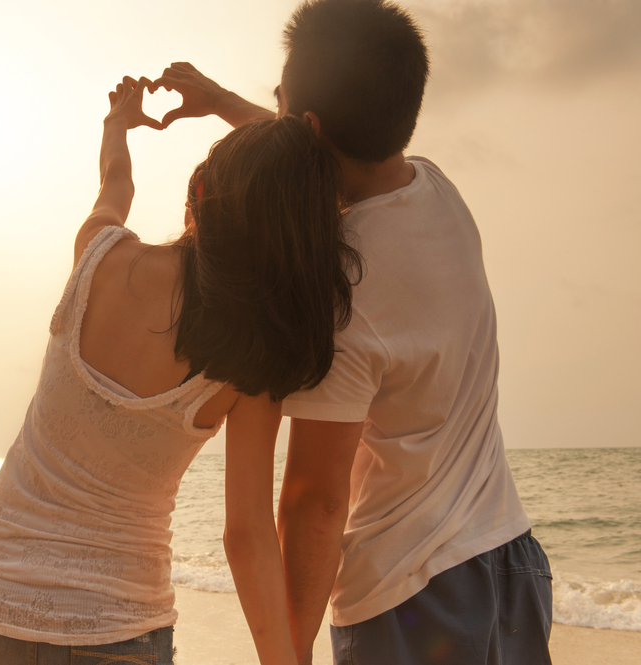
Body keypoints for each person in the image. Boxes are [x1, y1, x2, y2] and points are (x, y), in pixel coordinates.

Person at [151, 1, 553, 664]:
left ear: (306, 125)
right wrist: (222, 100)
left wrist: (293, 649)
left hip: (411, 599)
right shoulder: (436, 188)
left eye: (280, 101)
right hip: (511, 562)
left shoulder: (341, 292)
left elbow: (314, 499)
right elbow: (320, 157)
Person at [0, 75, 359, 665]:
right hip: (115, 628)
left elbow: (116, 182)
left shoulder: (99, 255)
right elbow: (249, 535)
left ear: (201, 188)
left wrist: (118, 124)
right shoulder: (251, 359)